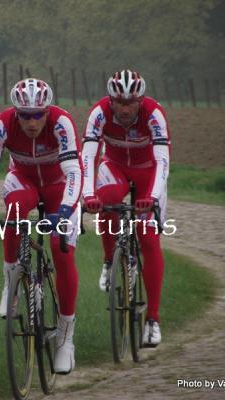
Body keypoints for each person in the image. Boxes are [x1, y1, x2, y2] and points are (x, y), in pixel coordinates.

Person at [0, 78, 83, 374]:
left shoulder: (62, 123)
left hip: (61, 186)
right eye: (25, 115)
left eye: (38, 114)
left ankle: (65, 337)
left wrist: (65, 212)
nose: (32, 121)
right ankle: (11, 282)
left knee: (63, 255)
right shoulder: (1, 125)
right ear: (15, 112)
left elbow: (74, 171)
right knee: (15, 212)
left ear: (47, 111)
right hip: (24, 179)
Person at [82, 69, 170, 346]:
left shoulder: (154, 114)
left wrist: (153, 197)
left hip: (149, 173)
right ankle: (110, 261)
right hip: (115, 166)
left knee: (147, 237)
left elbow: (163, 160)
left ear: (140, 100)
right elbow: (87, 156)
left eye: (131, 102)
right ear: (111, 100)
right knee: (106, 202)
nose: (124, 108)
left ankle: (153, 321)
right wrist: (87, 194)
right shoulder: (98, 113)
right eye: (119, 102)